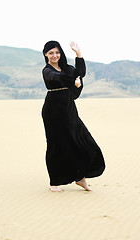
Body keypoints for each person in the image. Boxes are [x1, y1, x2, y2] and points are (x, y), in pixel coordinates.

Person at [42, 40, 105, 192]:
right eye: (51, 53)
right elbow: (57, 77)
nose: (55, 55)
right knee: (57, 144)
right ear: (46, 54)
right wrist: (73, 82)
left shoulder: (66, 68)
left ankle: (80, 177)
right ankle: (54, 182)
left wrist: (79, 54)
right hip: (53, 111)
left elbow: (80, 73)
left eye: (57, 52)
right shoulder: (47, 70)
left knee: (81, 140)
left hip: (69, 109)